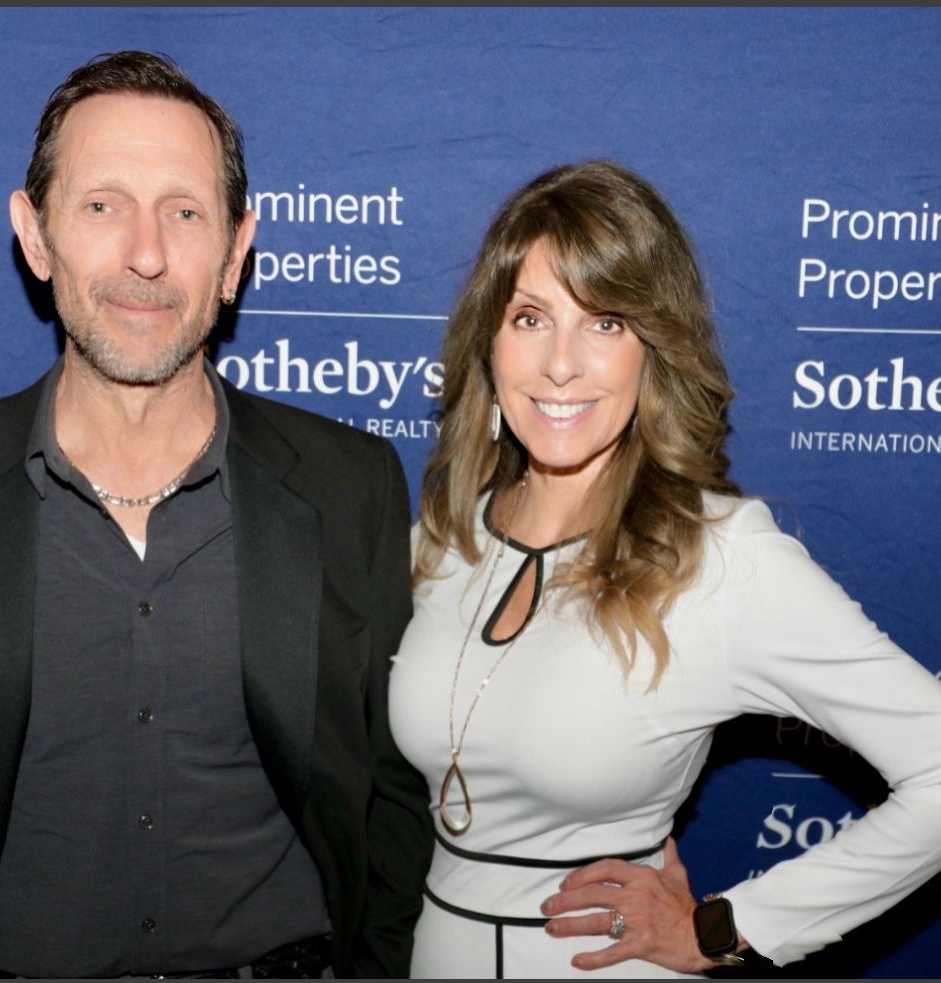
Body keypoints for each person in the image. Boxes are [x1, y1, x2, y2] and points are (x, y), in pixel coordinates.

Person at [0, 50, 432, 979]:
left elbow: (394, 789)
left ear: (235, 252)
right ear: (35, 232)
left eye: (184, 211)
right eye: (102, 205)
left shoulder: (351, 485)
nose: (146, 253)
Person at [388, 160, 941, 978]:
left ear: (655, 350)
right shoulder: (438, 544)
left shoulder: (718, 557)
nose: (562, 363)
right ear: (488, 344)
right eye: (531, 317)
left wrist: (726, 925)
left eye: (606, 322)